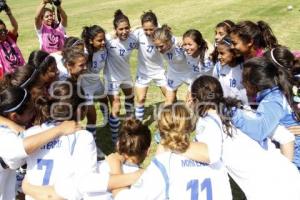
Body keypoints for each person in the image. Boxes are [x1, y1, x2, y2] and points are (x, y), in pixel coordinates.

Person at [189, 75, 300, 200]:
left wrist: (174, 143)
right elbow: (287, 137)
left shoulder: (208, 122)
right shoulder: (245, 110)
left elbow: (211, 155)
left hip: (267, 192)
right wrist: (283, 169)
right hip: (291, 177)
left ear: (194, 99)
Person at [111, 104, 232, 200]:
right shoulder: (216, 156)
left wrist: (115, 166)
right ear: (190, 127)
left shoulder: (164, 162)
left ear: (160, 130)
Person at [0, 86, 80, 200]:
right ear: (14, 116)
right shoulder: (4, 135)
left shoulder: (8, 127)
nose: (34, 112)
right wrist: (59, 130)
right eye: (31, 111)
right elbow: (21, 148)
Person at [22, 81, 97, 200]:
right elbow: (88, 184)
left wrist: (26, 187)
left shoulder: (31, 134)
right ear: (80, 110)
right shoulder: (83, 137)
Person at [231, 57, 300, 169]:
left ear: (254, 83)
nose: (241, 82)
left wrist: (232, 113)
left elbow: (260, 130)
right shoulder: (277, 92)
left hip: (295, 161)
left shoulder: (273, 100)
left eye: (244, 79)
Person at [104, 9, 138, 143]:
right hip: (112, 77)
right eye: (120, 29)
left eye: (126, 28)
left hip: (125, 74)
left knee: (130, 97)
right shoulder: (108, 40)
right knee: (116, 105)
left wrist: (137, 27)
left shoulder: (132, 38)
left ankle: (130, 124)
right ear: (115, 29)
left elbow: (146, 33)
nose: (124, 31)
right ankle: (114, 138)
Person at [133, 10, 167, 121]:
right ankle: (138, 124)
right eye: (145, 29)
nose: (148, 32)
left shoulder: (161, 33)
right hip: (143, 72)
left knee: (170, 96)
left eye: (151, 29)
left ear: (156, 27)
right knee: (141, 99)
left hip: (159, 71)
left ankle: (171, 119)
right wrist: (138, 27)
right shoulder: (138, 33)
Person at [81, 25, 109, 136]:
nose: (103, 42)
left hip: (97, 82)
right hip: (85, 87)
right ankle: (92, 140)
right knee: (92, 117)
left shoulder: (105, 47)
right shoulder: (86, 53)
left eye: (104, 39)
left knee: (105, 102)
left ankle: (107, 122)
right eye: (99, 40)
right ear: (91, 41)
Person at [153, 24, 191, 105]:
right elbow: (147, 25)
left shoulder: (180, 42)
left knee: (190, 102)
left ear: (168, 41)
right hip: (174, 73)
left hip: (189, 73)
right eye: (156, 47)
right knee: (168, 102)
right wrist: (135, 27)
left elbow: (201, 41)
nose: (159, 50)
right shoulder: (159, 39)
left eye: (161, 46)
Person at [212, 36, 247, 104]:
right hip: (226, 108)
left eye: (222, 53)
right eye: (218, 53)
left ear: (234, 53)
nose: (219, 57)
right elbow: (214, 86)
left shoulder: (244, 68)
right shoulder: (218, 67)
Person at [0, 4, 25, 78]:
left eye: (4, 30)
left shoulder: (9, 38)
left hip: (20, 72)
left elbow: (15, 26)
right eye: (0, 31)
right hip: (6, 78)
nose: (3, 33)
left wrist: (8, 12)